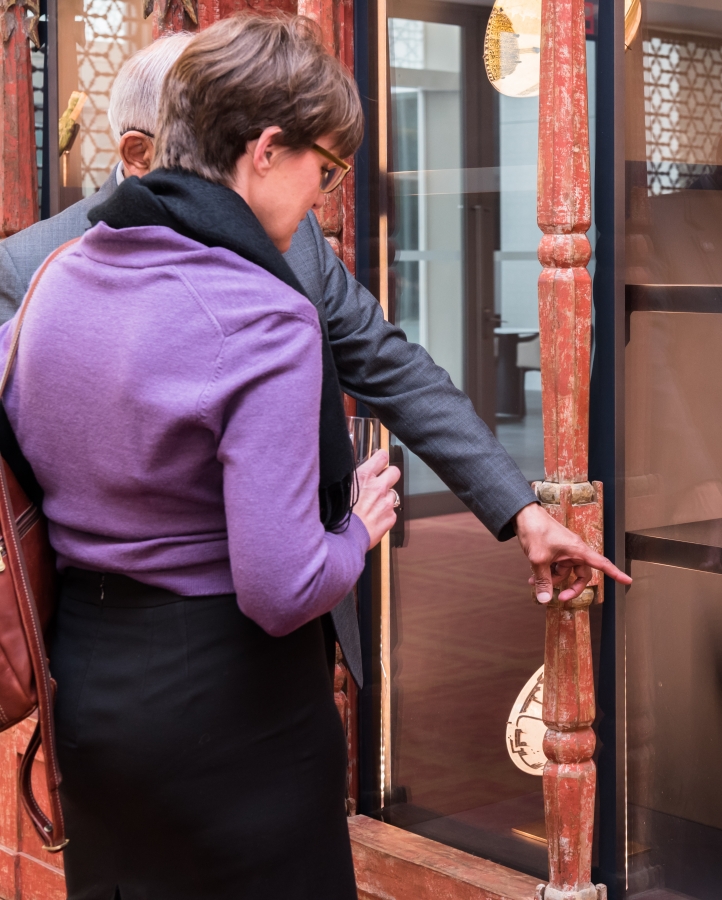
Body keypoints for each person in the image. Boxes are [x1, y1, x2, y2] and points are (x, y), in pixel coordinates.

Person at [0, 34, 629, 687]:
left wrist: (520, 509)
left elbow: (392, 367)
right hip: (117, 650)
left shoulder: (292, 239)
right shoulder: (35, 268)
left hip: (288, 634)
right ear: (141, 151)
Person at [0, 15, 443, 898]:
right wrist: (357, 529)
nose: (323, 200)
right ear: (267, 150)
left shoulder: (56, 280)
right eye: (326, 171)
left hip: (90, 683)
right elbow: (280, 592)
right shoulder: (262, 315)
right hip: (234, 706)